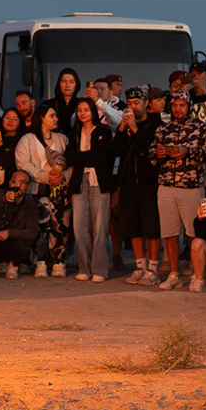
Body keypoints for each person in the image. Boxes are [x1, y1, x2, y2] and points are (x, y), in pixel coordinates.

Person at [149, 91, 206, 290]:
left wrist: (189, 151)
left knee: (195, 234)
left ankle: (198, 276)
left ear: (189, 106)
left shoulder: (200, 127)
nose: (178, 109)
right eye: (175, 105)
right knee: (169, 233)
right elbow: (151, 155)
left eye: (182, 105)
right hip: (166, 186)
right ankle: (174, 274)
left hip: (191, 187)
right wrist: (159, 154)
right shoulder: (163, 129)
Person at [14, 102, 71, 277]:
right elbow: (23, 164)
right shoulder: (27, 140)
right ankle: (41, 261)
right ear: (41, 118)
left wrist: (62, 177)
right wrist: (46, 177)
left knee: (61, 225)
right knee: (41, 226)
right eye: (52, 116)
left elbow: (71, 161)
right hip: (38, 189)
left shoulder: (62, 139)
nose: (56, 119)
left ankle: (59, 260)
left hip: (60, 189)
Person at [114, 90, 163, 285]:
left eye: (137, 102)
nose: (133, 106)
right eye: (130, 102)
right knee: (133, 227)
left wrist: (135, 129)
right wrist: (121, 130)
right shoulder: (123, 126)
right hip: (128, 184)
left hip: (149, 183)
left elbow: (151, 150)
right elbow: (115, 151)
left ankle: (152, 269)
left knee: (151, 227)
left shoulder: (156, 125)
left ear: (146, 104)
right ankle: (140, 267)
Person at [68, 96, 114, 282]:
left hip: (99, 181)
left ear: (93, 112)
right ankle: (83, 268)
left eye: (86, 109)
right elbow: (70, 157)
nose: (82, 113)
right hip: (79, 181)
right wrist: (87, 156)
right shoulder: (75, 133)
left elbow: (102, 159)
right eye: (79, 110)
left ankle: (100, 270)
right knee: (79, 226)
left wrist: (82, 157)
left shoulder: (104, 131)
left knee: (100, 225)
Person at [0, 169, 40, 278]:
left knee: (22, 243)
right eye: (14, 181)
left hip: (14, 243)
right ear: (9, 183)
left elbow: (32, 232)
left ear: (28, 186)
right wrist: (4, 200)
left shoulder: (30, 205)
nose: (17, 185)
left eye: (22, 183)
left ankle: (13, 265)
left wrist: (10, 233)